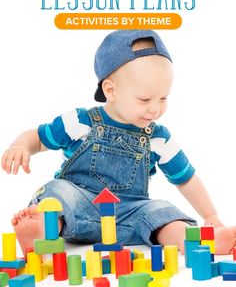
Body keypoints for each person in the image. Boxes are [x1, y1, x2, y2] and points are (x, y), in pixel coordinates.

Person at [1, 30, 236, 255]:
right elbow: (39, 138)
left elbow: (186, 179)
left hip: (129, 214)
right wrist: (21, 146)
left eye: (163, 98)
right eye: (144, 99)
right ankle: (42, 232)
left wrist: (211, 216)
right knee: (57, 193)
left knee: (161, 212)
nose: (155, 109)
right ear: (111, 90)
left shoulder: (158, 138)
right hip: (77, 206)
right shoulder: (81, 121)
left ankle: (198, 240)